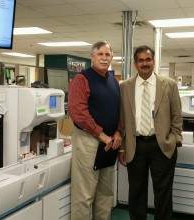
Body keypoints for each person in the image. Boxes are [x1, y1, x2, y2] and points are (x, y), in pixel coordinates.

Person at [119, 45, 183, 220]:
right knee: (136, 192)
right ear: (135, 64)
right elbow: (122, 120)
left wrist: (175, 138)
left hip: (161, 145)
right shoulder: (125, 86)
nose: (144, 63)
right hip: (135, 146)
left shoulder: (168, 85)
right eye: (140, 60)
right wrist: (122, 148)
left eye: (148, 59)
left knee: (163, 192)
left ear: (153, 62)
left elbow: (177, 116)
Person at [68, 41, 122, 220]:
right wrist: (102, 135)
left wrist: (117, 132)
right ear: (92, 56)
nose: (104, 58)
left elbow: (118, 110)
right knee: (84, 195)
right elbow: (78, 114)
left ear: (111, 58)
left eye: (108, 55)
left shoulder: (113, 81)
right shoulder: (81, 79)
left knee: (105, 194)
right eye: (100, 54)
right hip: (89, 141)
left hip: (109, 143)